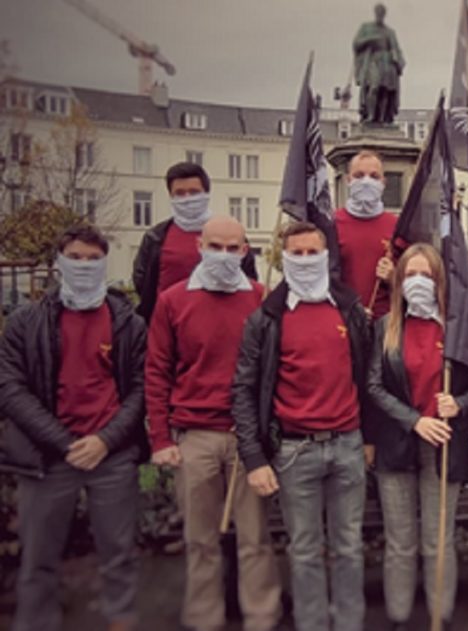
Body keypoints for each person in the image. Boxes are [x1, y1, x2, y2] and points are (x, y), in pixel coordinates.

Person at [0, 226, 147, 631]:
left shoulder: (128, 324)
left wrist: (106, 440)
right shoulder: (25, 323)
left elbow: (141, 389)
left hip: (111, 456)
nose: (84, 266)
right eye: (76, 258)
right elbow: (10, 389)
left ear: (104, 263)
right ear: (59, 263)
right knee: (38, 557)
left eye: (93, 259)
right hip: (48, 458)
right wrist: (64, 443)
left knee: (119, 552)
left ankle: (122, 620)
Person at [233, 221, 371, 631]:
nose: (307, 260)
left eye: (314, 253)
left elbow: (367, 376)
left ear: (327, 256)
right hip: (295, 452)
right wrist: (255, 458)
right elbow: (243, 389)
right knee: (306, 550)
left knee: (349, 547)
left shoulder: (349, 309)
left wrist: (371, 438)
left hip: (348, 444)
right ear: (284, 256)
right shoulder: (266, 319)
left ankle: (350, 623)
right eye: (298, 254)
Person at [145, 216, 281, 631]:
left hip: (246, 440)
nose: (224, 254)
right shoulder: (172, 300)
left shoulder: (260, 297)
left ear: (245, 251)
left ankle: (262, 616)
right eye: (215, 246)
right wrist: (161, 438)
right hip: (195, 435)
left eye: (233, 247)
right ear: (200, 246)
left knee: (255, 539)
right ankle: (205, 619)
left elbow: (274, 370)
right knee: (200, 540)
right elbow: (156, 371)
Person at [366, 243, 468, 630]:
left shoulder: (456, 330)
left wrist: (460, 405)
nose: (419, 282)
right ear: (399, 280)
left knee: (438, 539)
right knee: (400, 540)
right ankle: (400, 617)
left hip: (444, 446)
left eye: (427, 275)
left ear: (440, 281)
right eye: (411, 275)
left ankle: (441, 615)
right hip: (397, 444)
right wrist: (414, 420)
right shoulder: (386, 328)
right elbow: (373, 386)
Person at [132, 161, 257, 322]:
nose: (187, 198)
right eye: (180, 193)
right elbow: (142, 281)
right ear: (171, 196)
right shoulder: (155, 238)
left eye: (194, 192)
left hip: (219, 322)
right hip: (167, 324)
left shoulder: (231, 236)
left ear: (206, 193)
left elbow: (249, 280)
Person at [334, 149, 397, 319]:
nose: (366, 181)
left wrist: (393, 276)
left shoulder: (396, 226)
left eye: (374, 176)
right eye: (359, 175)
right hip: (343, 320)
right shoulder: (332, 223)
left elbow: (410, 277)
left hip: (384, 322)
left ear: (383, 182)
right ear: (348, 180)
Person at [352, 3, 405, 124]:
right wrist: (370, 39)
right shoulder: (366, 28)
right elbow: (356, 44)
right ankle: (370, 115)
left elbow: (396, 48)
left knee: (385, 90)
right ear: (375, 13)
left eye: (382, 13)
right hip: (373, 60)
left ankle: (382, 118)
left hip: (387, 63)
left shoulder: (390, 32)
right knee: (374, 87)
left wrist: (397, 60)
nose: (380, 15)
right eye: (378, 12)